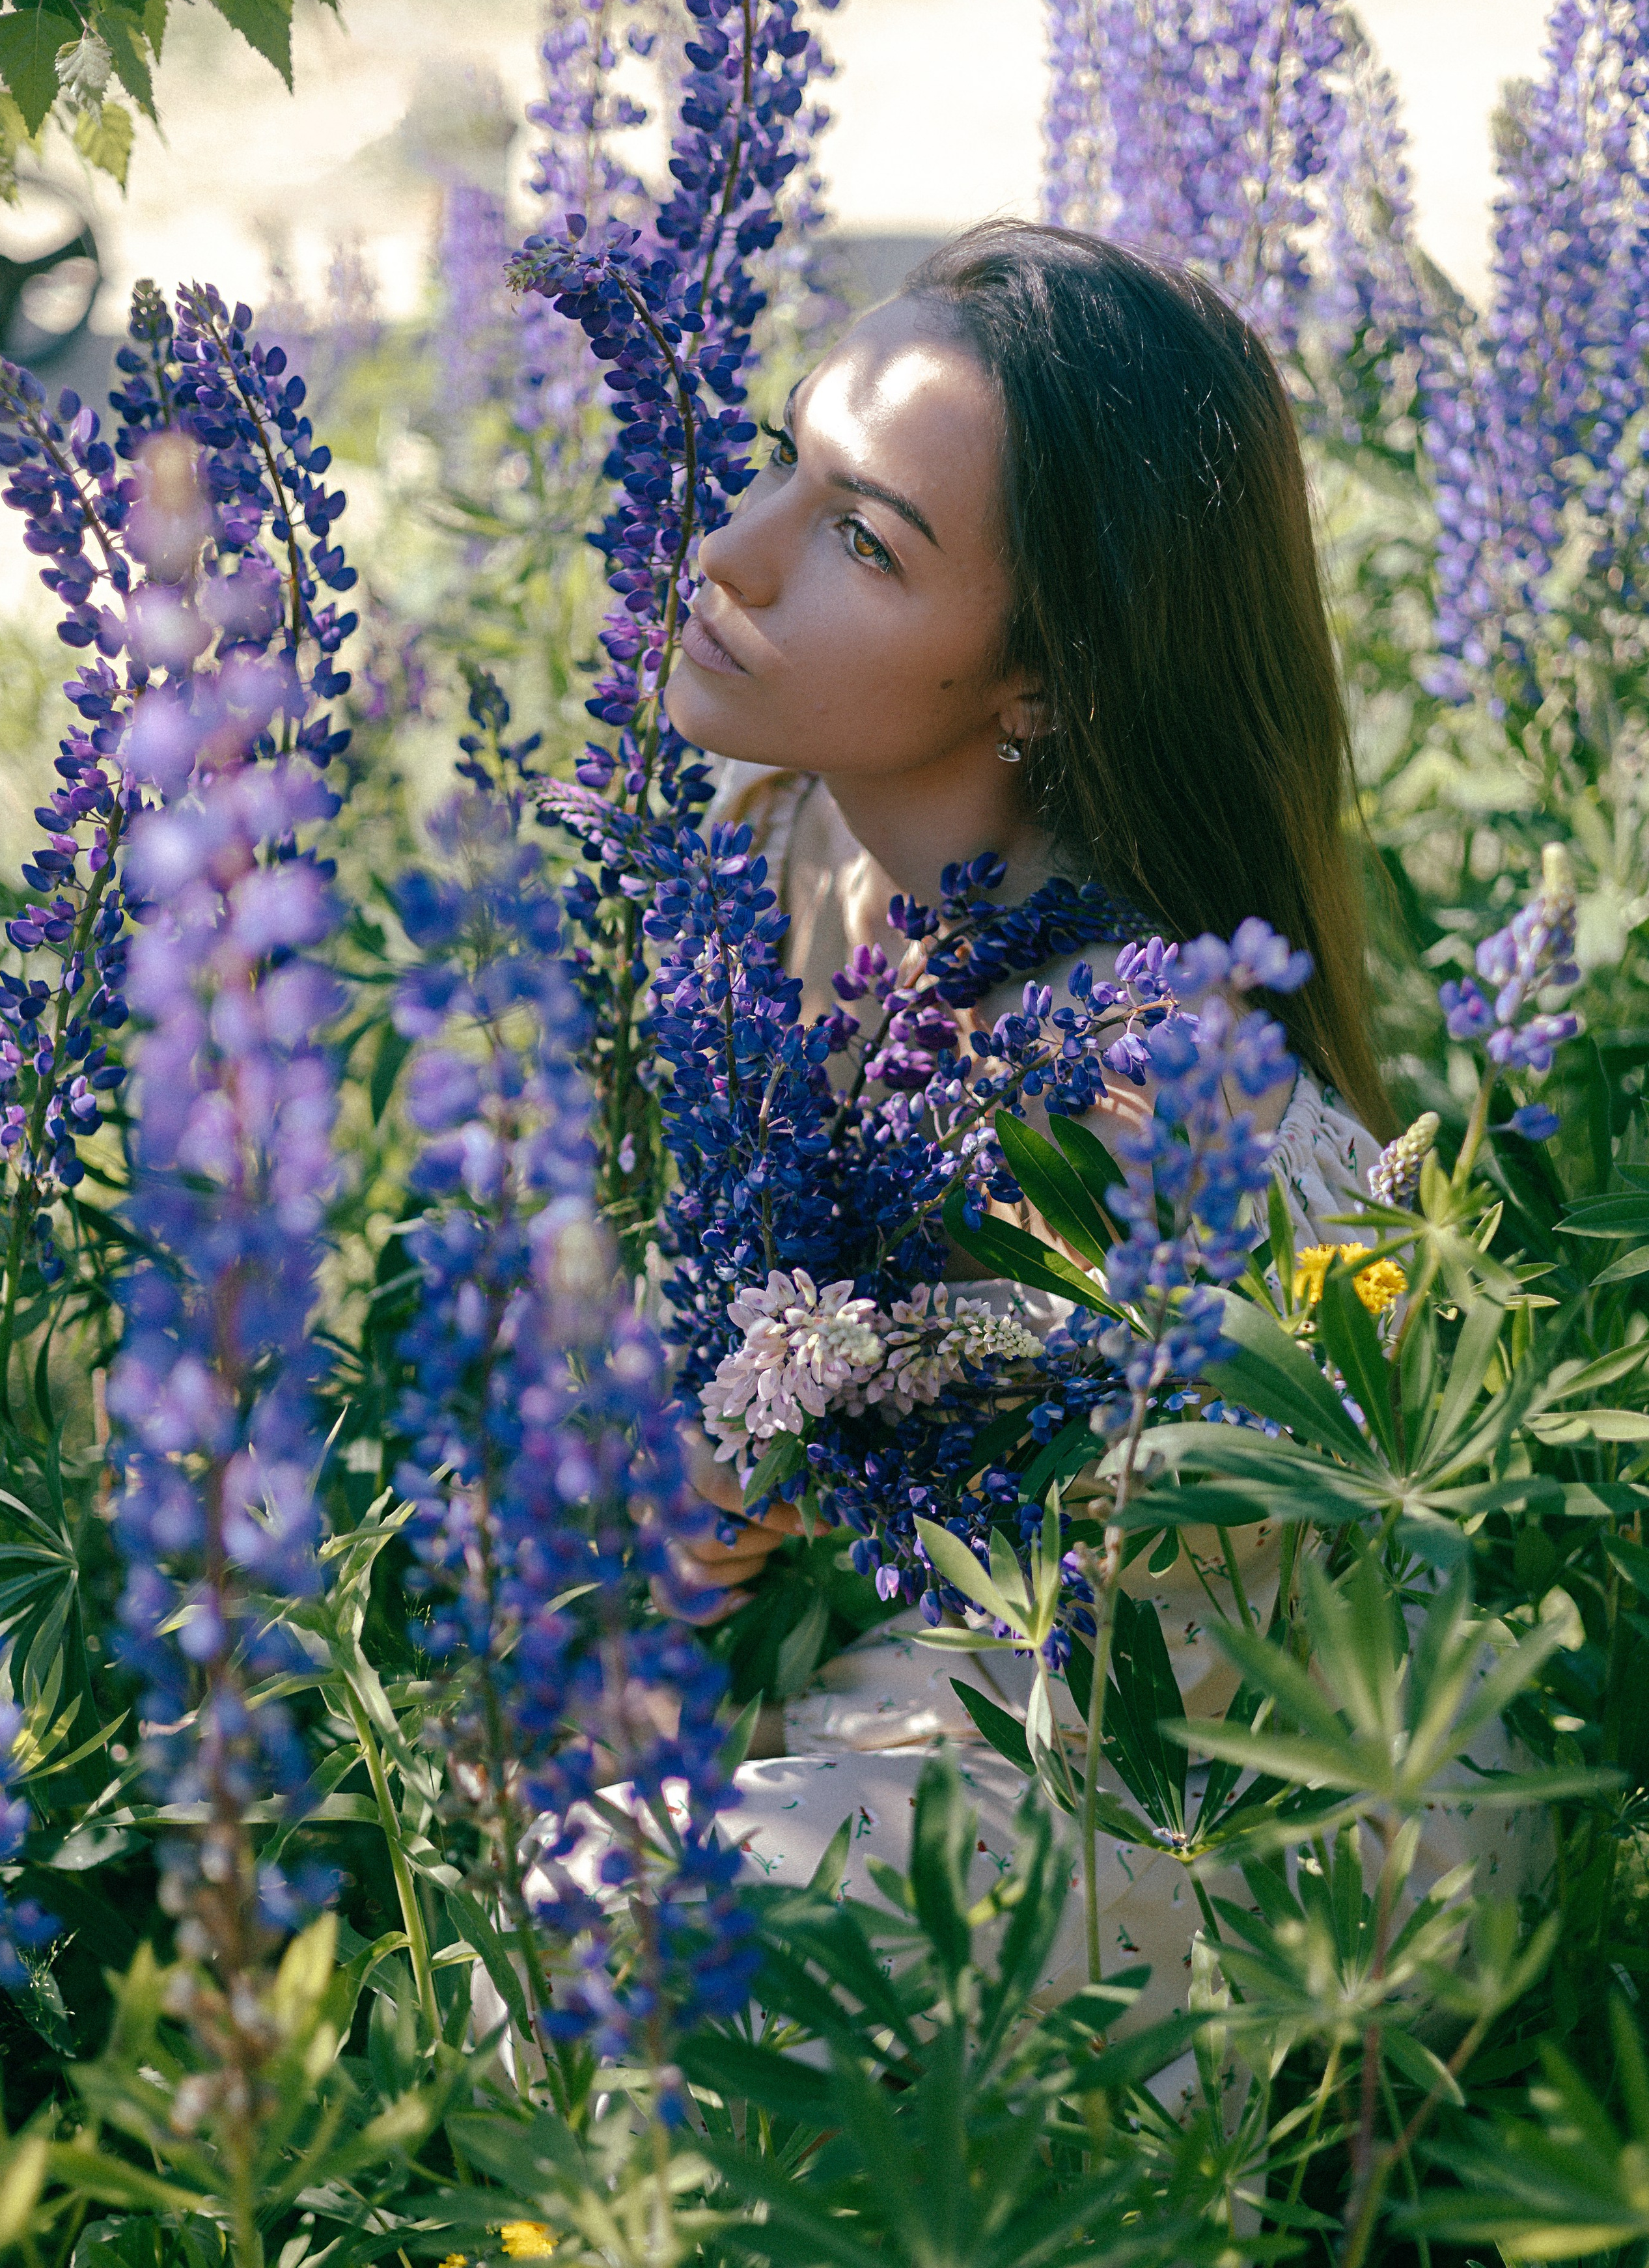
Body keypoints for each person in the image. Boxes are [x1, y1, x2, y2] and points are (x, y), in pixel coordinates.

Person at [650, 221, 1537, 2028]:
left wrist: (807, 1427)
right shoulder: (805, 853)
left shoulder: (1137, 1078)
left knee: (586, 1931)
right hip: (963, 1695)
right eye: (779, 458)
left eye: (857, 536)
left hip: (1232, 1829)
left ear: (1042, 679)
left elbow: (1186, 1584)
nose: (726, 557)